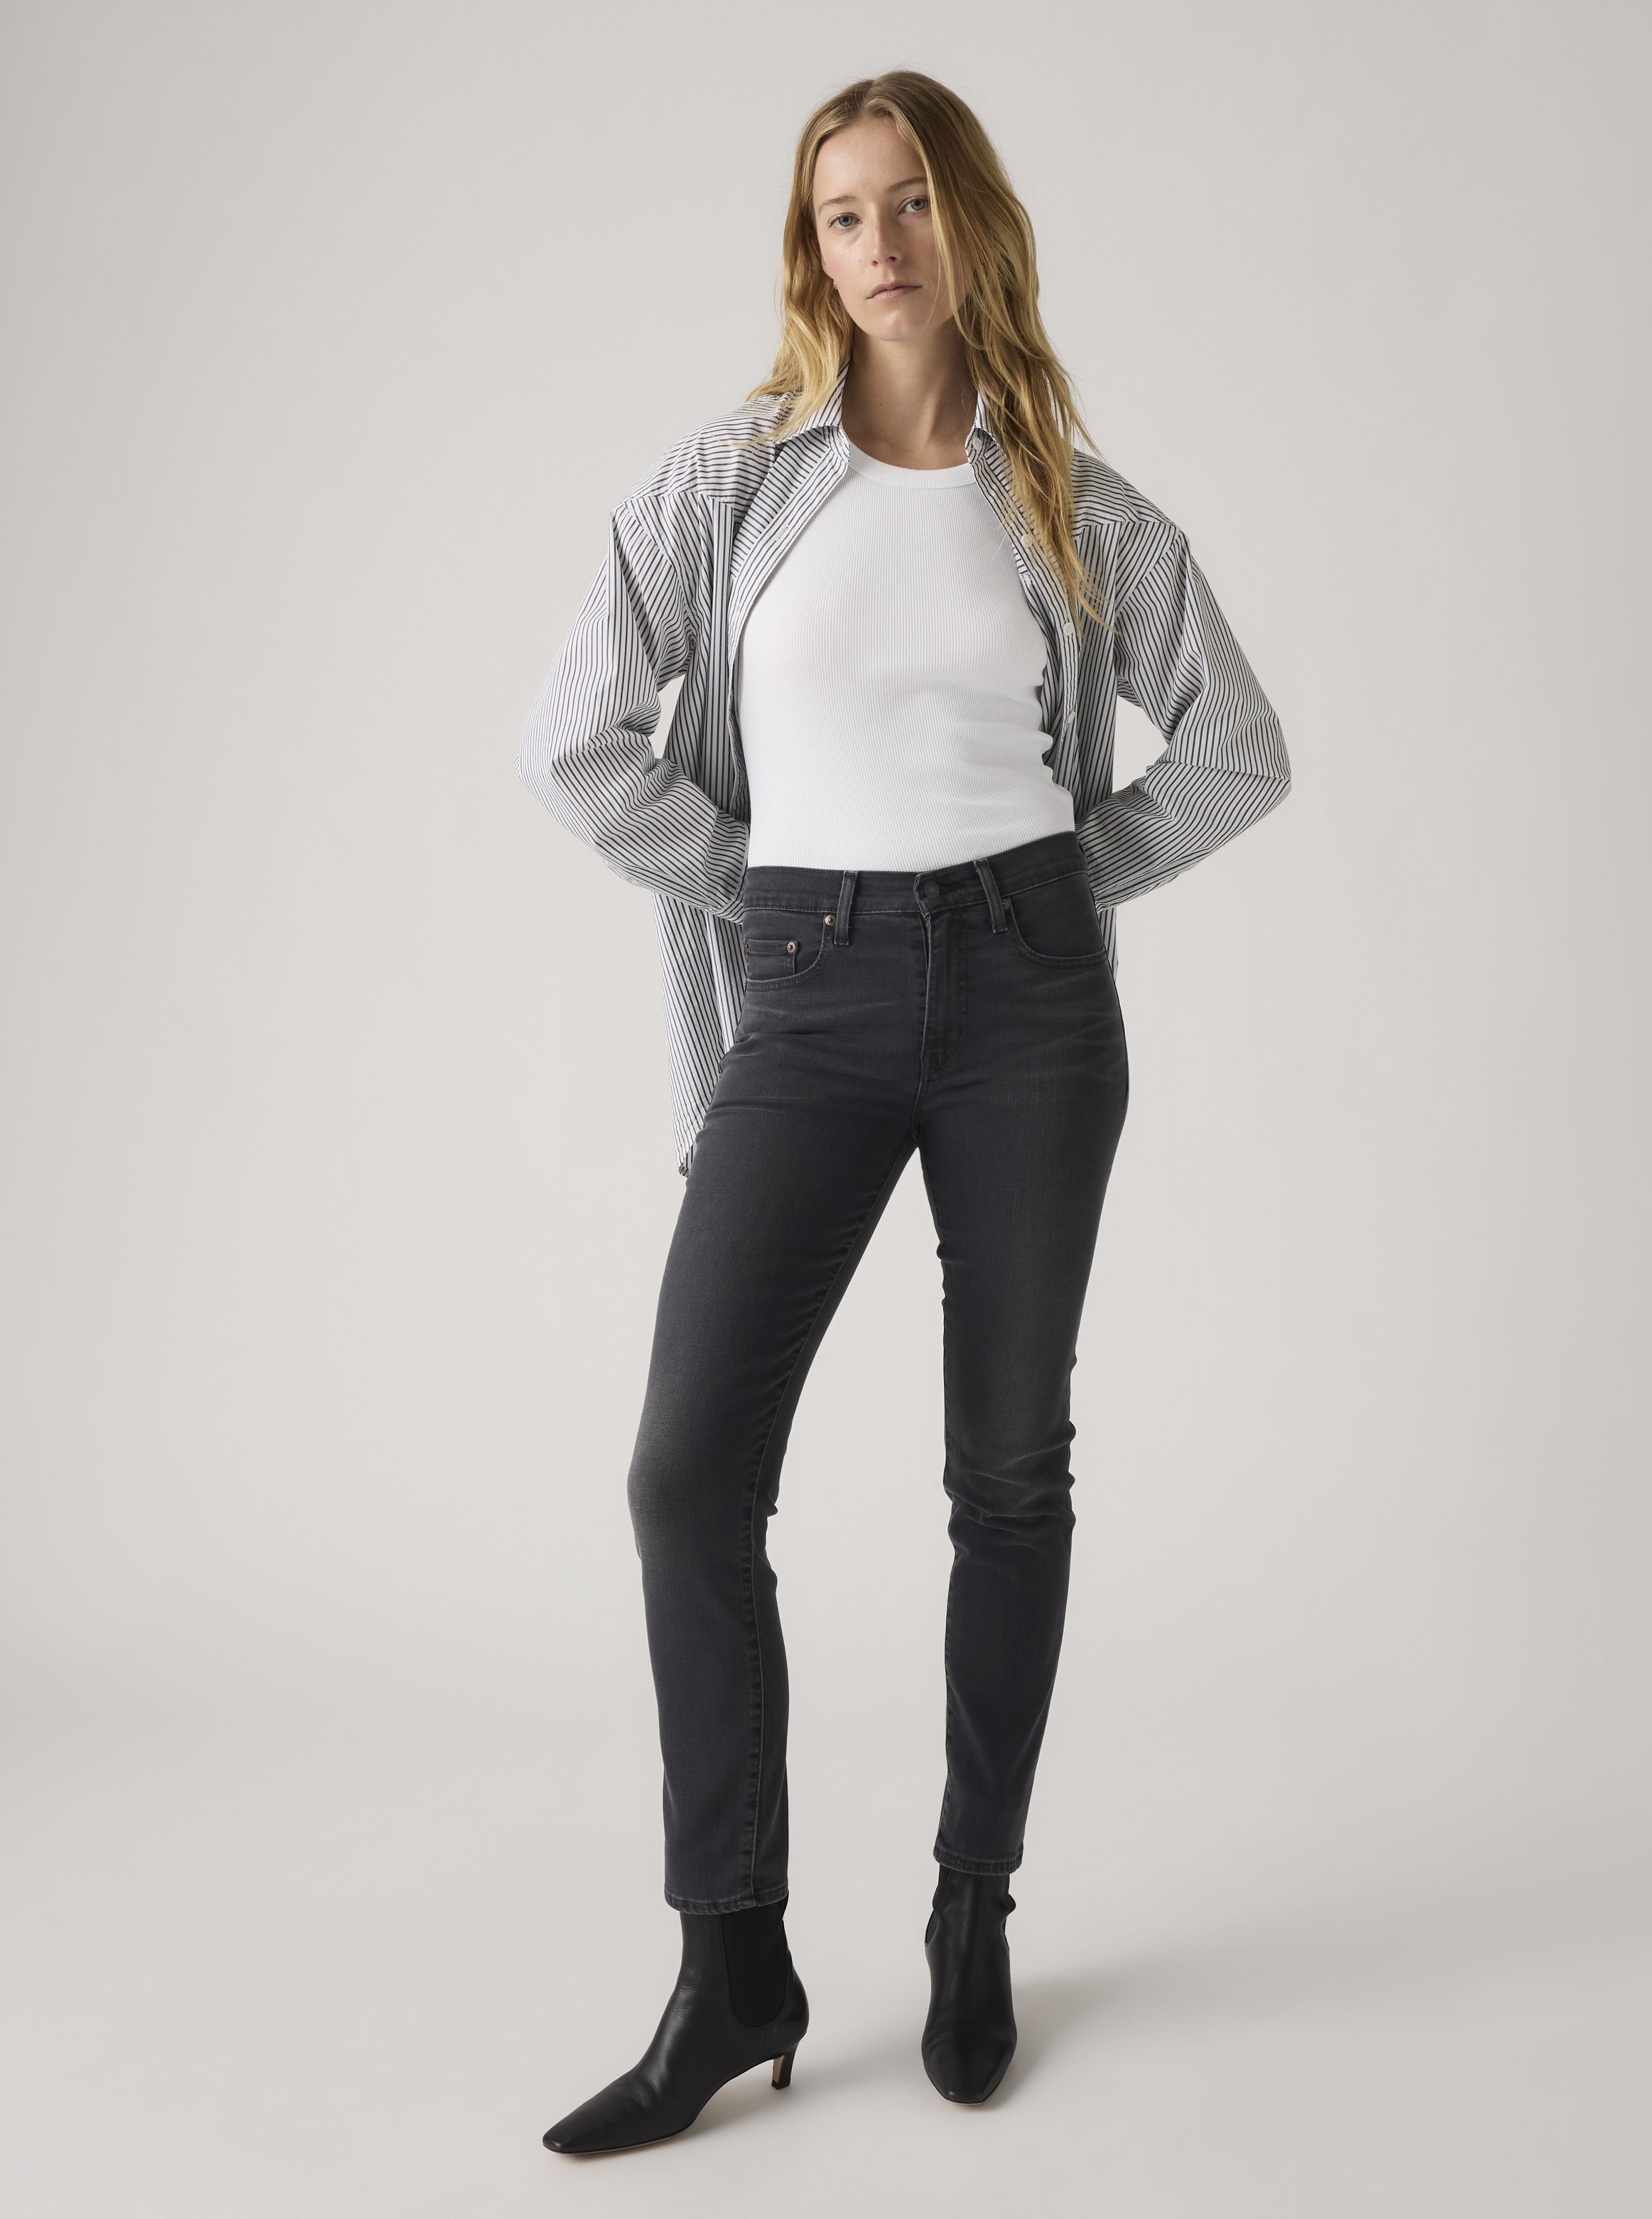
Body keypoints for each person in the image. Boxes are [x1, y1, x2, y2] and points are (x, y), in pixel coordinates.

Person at [516, 69, 1290, 2153]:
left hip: (1033, 1010)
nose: (882, 243)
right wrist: (759, 891)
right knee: (689, 1474)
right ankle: (733, 1960)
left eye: (915, 201)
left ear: (975, 226)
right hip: (810, 993)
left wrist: (1053, 880)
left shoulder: (1076, 504)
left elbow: (1238, 749)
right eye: (845, 212)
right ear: (813, 249)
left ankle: (972, 1907)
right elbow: (574, 736)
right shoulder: (728, 484)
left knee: (1008, 1475)